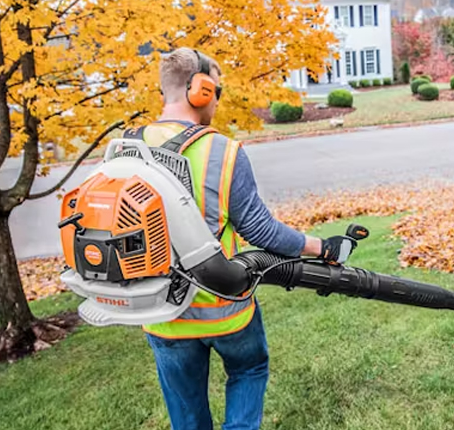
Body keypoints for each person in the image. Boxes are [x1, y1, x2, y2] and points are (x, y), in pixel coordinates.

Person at [128, 47, 356, 430]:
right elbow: (261, 231)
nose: (216, 100)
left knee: (187, 417)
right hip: (225, 307)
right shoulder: (221, 151)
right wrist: (323, 247)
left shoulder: (126, 147)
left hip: (162, 316)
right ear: (199, 90)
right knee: (248, 371)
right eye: (215, 91)